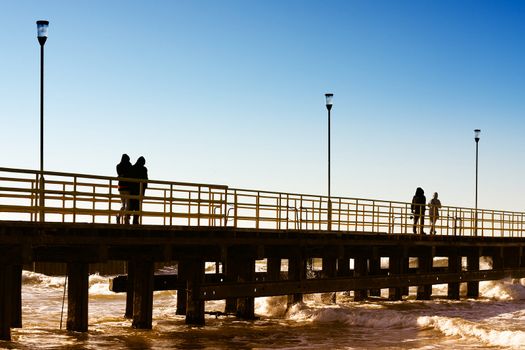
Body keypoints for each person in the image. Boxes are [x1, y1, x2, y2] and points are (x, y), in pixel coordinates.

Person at [129, 156, 148, 225]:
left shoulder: (132, 168)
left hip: (132, 190)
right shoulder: (144, 169)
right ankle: (135, 220)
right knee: (138, 206)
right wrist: (145, 188)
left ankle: (127, 218)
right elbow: (146, 179)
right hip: (140, 190)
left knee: (131, 205)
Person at [116, 154, 132, 224]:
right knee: (128, 205)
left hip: (120, 187)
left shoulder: (118, 166)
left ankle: (118, 215)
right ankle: (126, 219)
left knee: (123, 204)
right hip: (127, 187)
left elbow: (120, 175)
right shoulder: (129, 166)